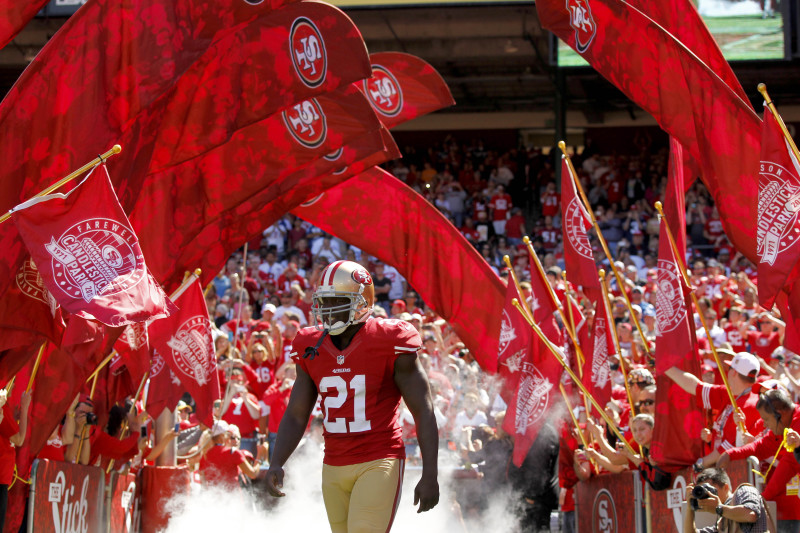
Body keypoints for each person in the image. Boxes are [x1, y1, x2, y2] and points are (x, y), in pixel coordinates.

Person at [265, 260, 439, 532]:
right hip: (333, 463)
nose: (328, 310)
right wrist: (276, 461)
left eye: (337, 301)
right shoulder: (310, 344)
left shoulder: (389, 339)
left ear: (362, 302)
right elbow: (297, 413)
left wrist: (430, 472)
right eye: (324, 302)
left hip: (378, 458)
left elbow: (423, 410)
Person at [665, 351, 761, 469]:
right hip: (720, 465)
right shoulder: (729, 392)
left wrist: (701, 463)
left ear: (734, 372)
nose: (727, 371)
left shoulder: (750, 404)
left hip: (732, 469)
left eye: (729, 368)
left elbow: (728, 446)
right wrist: (665, 367)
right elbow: (695, 386)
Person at [683, 467, 770, 533]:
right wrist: (689, 508)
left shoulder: (743, 490)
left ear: (725, 487)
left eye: (709, 489)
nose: (706, 495)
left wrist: (719, 508)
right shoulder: (722, 521)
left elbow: (751, 514)